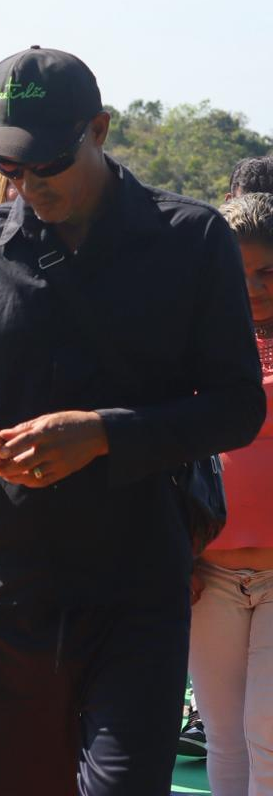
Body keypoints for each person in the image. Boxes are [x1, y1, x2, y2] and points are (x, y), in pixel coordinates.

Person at [0, 46, 266, 796]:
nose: (27, 185)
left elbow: (237, 406)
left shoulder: (191, 241)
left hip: (140, 587)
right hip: (5, 588)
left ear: (99, 129)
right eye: (9, 168)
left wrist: (103, 434)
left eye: (46, 164)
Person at [188, 192, 273, 796]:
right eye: (237, 272)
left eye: (267, 270)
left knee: (266, 730)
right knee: (222, 733)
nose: (253, 287)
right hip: (207, 574)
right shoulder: (190, 343)